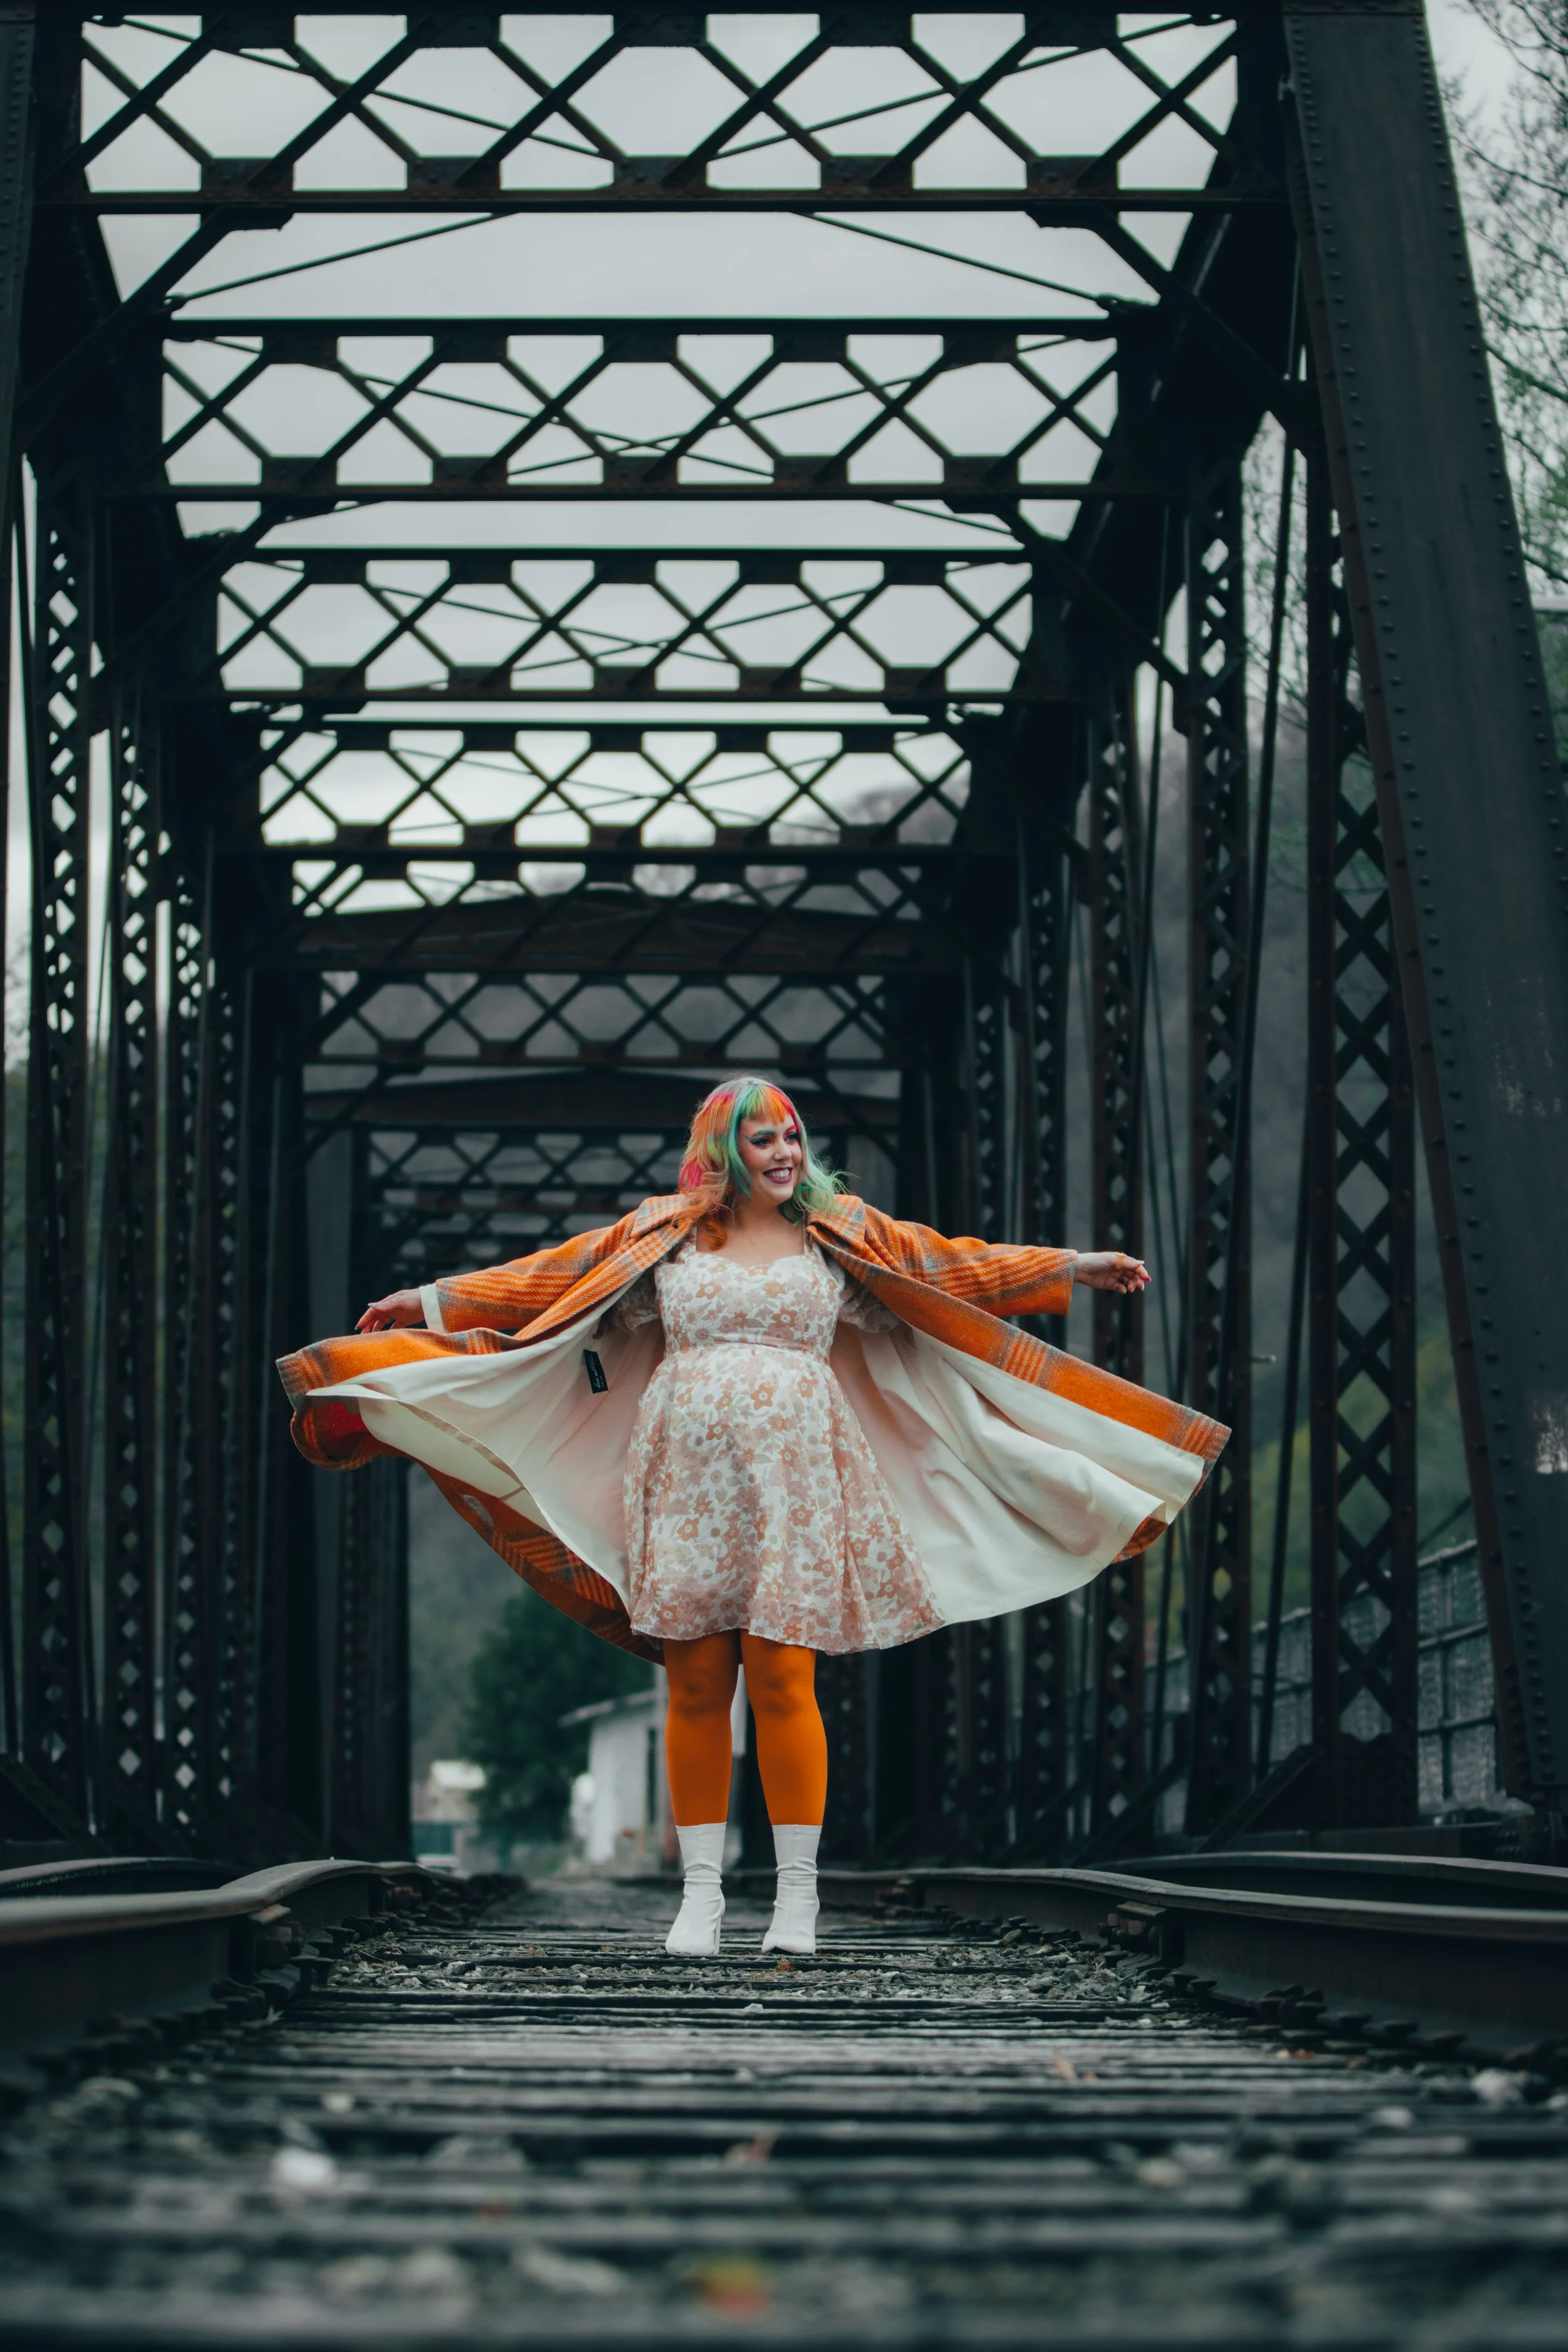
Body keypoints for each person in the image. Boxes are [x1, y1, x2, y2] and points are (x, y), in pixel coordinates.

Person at [277, 1076, 1226, 1959]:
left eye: (792, 1135)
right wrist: (432, 1300)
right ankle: (701, 1898)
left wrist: (1076, 1265)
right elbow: (548, 1277)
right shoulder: (665, 1236)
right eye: (760, 1137)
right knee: (696, 1681)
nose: (782, 1150)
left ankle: (797, 1897)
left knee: (782, 1677)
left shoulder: (838, 1233)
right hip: (685, 1468)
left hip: (798, 1475)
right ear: (722, 1151)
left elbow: (952, 1267)